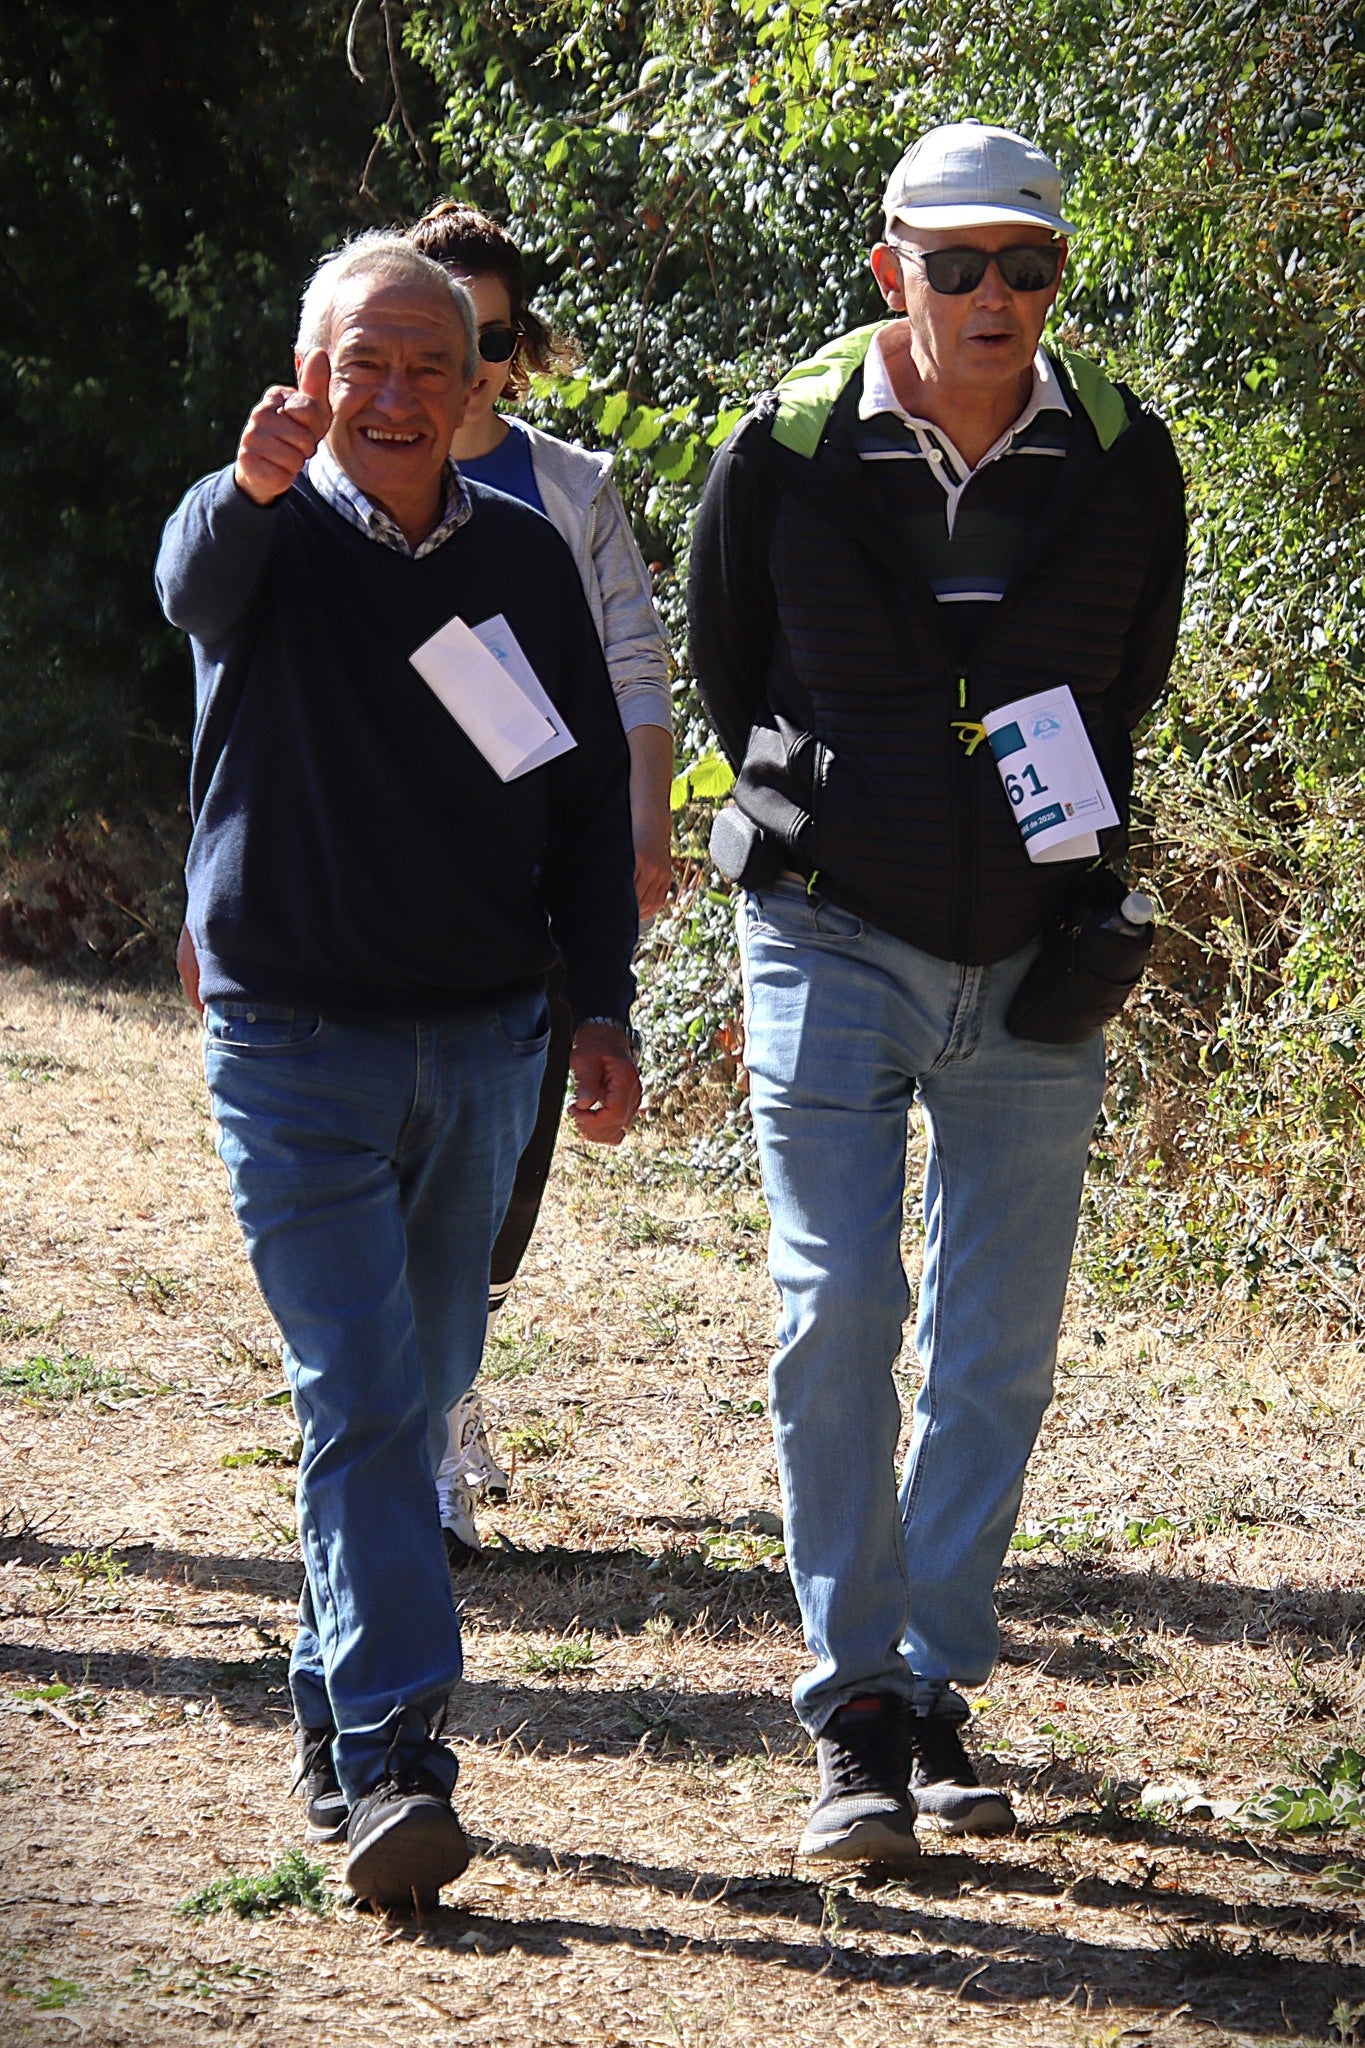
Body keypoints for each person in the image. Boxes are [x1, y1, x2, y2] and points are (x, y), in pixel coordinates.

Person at [687, 122, 1185, 1864]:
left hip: (1037, 959)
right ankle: (856, 1709)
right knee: (837, 1310)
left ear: (1056, 274)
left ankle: (934, 1675)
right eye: (956, 262)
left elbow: (1123, 690)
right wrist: (852, 812)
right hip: (828, 925)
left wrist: (1052, 865)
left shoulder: (1126, 459)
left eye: (1025, 263)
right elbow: (727, 672)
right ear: (887, 266)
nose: (993, 296)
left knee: (996, 1352)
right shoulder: (782, 450)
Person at [156, 233, 641, 1909]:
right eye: (366, 361)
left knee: (413, 1397)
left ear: (478, 389)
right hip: (291, 1044)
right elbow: (189, 590)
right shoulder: (259, 534)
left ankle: (327, 1702)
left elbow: (577, 800)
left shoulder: (518, 555)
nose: (399, 392)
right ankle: (394, 1754)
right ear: (310, 376)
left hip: (488, 1043)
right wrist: (245, 484)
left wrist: (601, 1009)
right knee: (362, 1393)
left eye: (435, 365)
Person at [402, 202, 673, 1562]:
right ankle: (418, 1435)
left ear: (518, 348)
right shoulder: (330, 481)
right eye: (439, 326)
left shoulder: (570, 489)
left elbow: (633, 668)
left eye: (490, 336)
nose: (465, 362)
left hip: (540, 865)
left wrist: (642, 832)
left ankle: (446, 1393)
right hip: (384, 873)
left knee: (505, 1174)